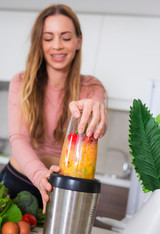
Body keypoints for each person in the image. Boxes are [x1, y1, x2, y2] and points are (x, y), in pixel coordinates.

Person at [0, 4, 107, 212]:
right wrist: (40, 175)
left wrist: (98, 115)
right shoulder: (21, 82)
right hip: (17, 181)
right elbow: (18, 138)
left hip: (63, 188)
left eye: (66, 37)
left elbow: (97, 129)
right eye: (48, 38)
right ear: (39, 43)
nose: (57, 45)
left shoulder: (92, 87)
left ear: (78, 41)